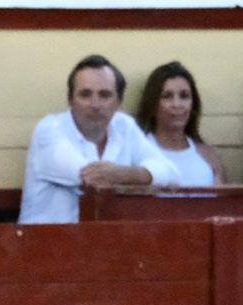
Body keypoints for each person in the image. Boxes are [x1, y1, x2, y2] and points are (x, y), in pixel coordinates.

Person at [19, 55, 181, 225]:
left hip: (103, 244)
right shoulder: (49, 130)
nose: (95, 104)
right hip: (45, 246)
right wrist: (136, 175)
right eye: (85, 94)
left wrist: (125, 173)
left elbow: (171, 173)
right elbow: (89, 177)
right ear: (70, 100)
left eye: (104, 95)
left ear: (119, 103)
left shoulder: (123, 125)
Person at [136, 61, 226, 185]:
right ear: (152, 104)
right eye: (167, 96)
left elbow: (221, 203)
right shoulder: (137, 153)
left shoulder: (209, 156)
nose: (177, 104)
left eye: (184, 96)